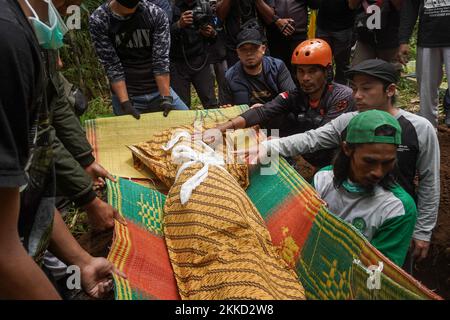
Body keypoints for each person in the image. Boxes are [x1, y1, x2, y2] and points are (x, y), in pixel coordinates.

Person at [252, 59, 439, 265]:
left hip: (394, 218)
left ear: (390, 90)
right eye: (355, 88)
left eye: (366, 89)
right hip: (348, 214)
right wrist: (268, 147)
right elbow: (312, 138)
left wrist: (423, 231)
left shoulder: (420, 128)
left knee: (386, 273)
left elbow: (429, 179)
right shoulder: (349, 121)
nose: (357, 95)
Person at [0, 0, 122, 299]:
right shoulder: (7, 43)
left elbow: (26, 181)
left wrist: (81, 261)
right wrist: (86, 197)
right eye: (70, 5)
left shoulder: (26, 34)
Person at [208, 38, 355, 167]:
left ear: (327, 72)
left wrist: (280, 145)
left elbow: (320, 138)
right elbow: (263, 111)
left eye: (312, 71)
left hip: (334, 158)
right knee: (272, 116)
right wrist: (221, 129)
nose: (305, 78)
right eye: (301, 71)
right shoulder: (297, 94)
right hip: (304, 148)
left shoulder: (341, 96)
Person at [313, 110, 417, 266]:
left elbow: (376, 274)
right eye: (369, 161)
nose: (378, 172)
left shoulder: (398, 208)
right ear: (347, 149)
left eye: (388, 162)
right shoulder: (323, 179)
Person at [89, 0, 188, 119]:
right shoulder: (100, 19)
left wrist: (166, 98)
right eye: (126, 14)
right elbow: (111, 64)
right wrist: (125, 102)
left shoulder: (154, 13)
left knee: (189, 122)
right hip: (127, 93)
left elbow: (160, 59)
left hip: (157, 89)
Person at [399, 0, 450, 128]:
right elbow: (409, 8)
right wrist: (404, 39)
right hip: (428, 37)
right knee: (426, 88)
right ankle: (428, 131)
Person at [170, 0, 219, 109]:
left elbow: (214, 36)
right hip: (178, 63)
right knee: (182, 106)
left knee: (210, 102)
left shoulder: (204, 5)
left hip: (201, 61)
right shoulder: (170, 6)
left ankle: (215, 126)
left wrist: (211, 33)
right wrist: (178, 25)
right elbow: (162, 35)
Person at [216, 0, 275, 66]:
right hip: (235, 48)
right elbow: (219, 16)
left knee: (265, 74)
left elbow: (270, 19)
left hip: (259, 46)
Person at [313, 0, 358, 84]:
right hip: (323, 26)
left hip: (344, 27)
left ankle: (341, 92)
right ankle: (325, 89)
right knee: (322, 62)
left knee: (342, 64)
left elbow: (352, 6)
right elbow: (315, 5)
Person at [350, 0, 404, 67]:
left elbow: (399, 6)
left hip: (389, 39)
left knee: (390, 73)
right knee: (359, 71)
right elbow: (352, 5)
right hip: (365, 39)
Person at [266, 0, 312, 73]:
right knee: (278, 69)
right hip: (276, 36)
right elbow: (266, 10)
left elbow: (314, 5)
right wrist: (277, 20)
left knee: (299, 68)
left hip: (299, 35)